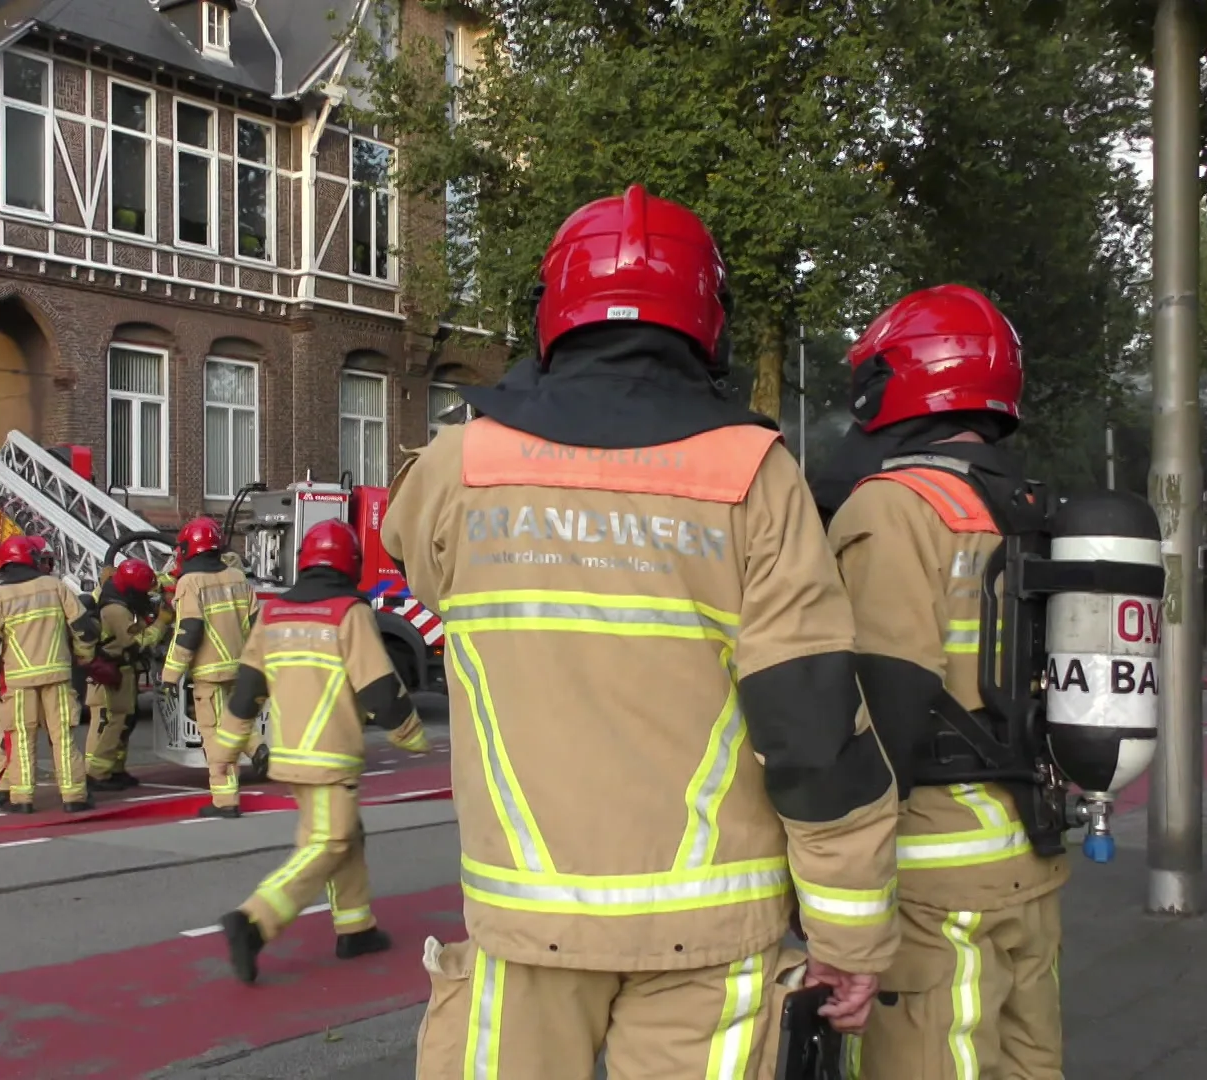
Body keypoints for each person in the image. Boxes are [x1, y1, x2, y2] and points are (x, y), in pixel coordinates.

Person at [382, 184, 900, 1078]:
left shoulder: (457, 462)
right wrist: (848, 930)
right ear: (709, 318)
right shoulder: (756, 474)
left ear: (552, 311)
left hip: (523, 923)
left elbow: (421, 567)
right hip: (708, 934)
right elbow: (814, 732)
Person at [813, 283, 1065, 1080]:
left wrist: (835, 895)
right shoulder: (1032, 510)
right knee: (1029, 1062)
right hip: (1032, 854)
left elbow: (876, 715)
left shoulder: (893, 508)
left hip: (934, 875)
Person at [215, 519, 430, 983]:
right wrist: (412, 735)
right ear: (350, 564)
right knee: (329, 843)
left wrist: (227, 746)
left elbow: (247, 688)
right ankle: (254, 920)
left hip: (291, 756)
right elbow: (378, 688)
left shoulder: (272, 616)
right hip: (332, 755)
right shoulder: (347, 613)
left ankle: (356, 927)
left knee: (346, 835)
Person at [0, 535, 99, 814]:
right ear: (31, 559)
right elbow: (84, 629)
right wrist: (84, 656)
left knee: (21, 739)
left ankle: (22, 799)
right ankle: (74, 797)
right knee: (63, 737)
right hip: (58, 678)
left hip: (19, 681)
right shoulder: (56, 587)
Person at [159, 516, 256, 818]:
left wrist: (169, 676)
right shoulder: (238, 578)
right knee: (238, 721)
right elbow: (255, 624)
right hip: (240, 667)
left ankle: (225, 800)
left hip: (209, 673)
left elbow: (188, 632)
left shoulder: (191, 583)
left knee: (214, 734)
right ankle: (259, 748)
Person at [83, 557, 162, 790]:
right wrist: (162, 623)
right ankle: (98, 774)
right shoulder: (116, 609)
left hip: (124, 669)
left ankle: (115, 769)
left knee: (126, 719)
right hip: (116, 669)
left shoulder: (118, 601)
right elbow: (136, 642)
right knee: (116, 721)